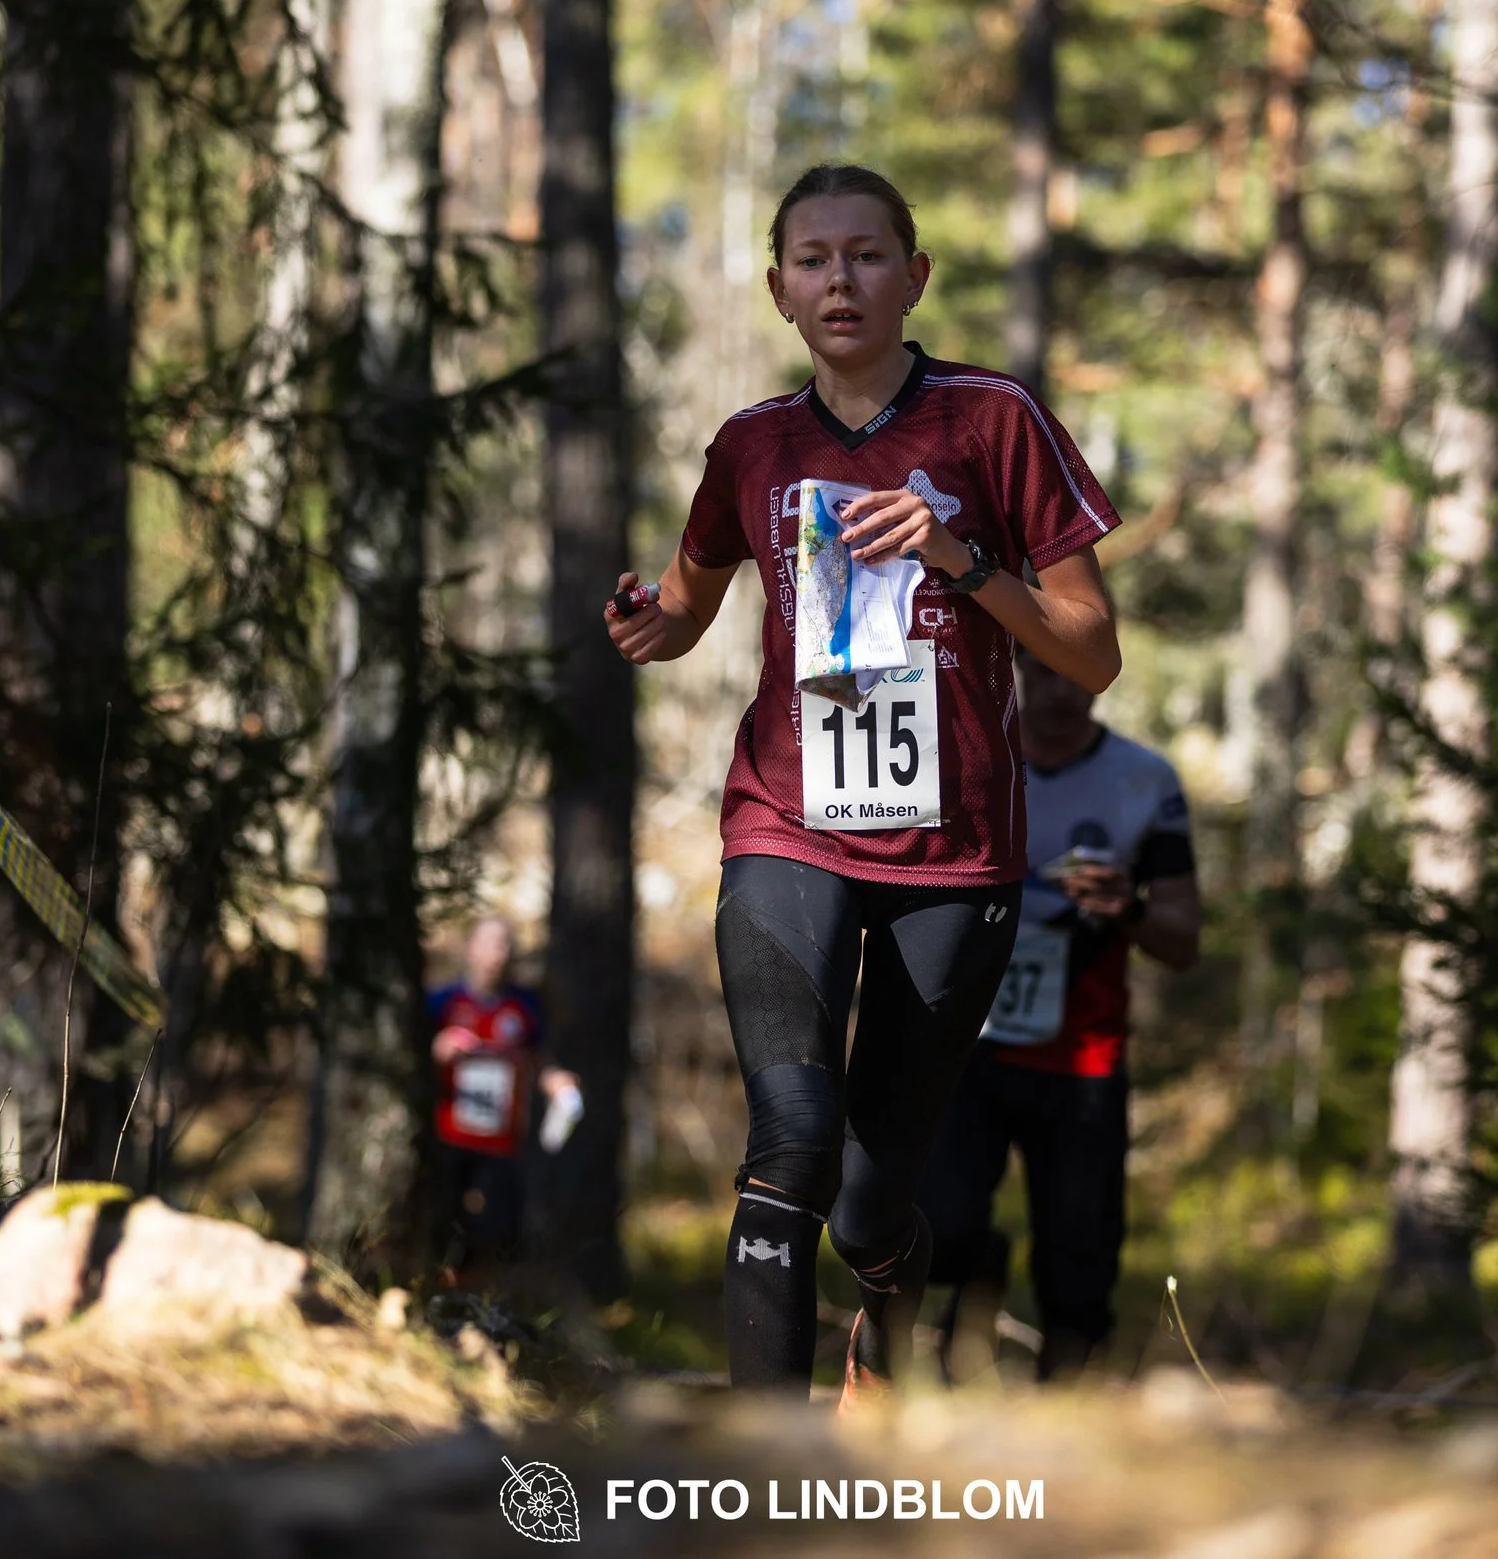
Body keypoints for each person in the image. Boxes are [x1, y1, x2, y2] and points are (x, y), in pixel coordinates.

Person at [604, 162, 1122, 1406]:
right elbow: (681, 605)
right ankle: (769, 1466)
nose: (841, 279)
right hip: (788, 825)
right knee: (788, 1139)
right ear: (780, 288)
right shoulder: (751, 446)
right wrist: (641, 620)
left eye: (868, 255)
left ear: (915, 275)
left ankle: (880, 1313)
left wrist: (959, 556)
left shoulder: (993, 419)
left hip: (958, 856)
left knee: (872, 1197)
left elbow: (1090, 653)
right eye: (814, 259)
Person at [918, 647, 1201, 1382]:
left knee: (1079, 1272)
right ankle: (977, 1279)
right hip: (963, 1046)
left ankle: (1070, 1420)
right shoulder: (968, 755)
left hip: (1081, 1056)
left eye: (1073, 674)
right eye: (1041, 672)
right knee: (937, 1230)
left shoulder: (1145, 781)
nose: (1057, 692)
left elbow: (1182, 937)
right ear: (1015, 669)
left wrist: (1127, 906)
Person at [427, 915, 579, 1269]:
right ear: (469, 948)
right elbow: (410, 1060)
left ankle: (486, 1309)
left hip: (502, 1145)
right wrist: (438, 1047)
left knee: (496, 1235)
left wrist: (557, 1082)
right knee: (445, 1229)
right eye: (488, 943)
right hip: (449, 1139)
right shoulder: (441, 1002)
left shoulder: (524, 1007)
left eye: (504, 944)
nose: (496, 954)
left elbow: (539, 1061)